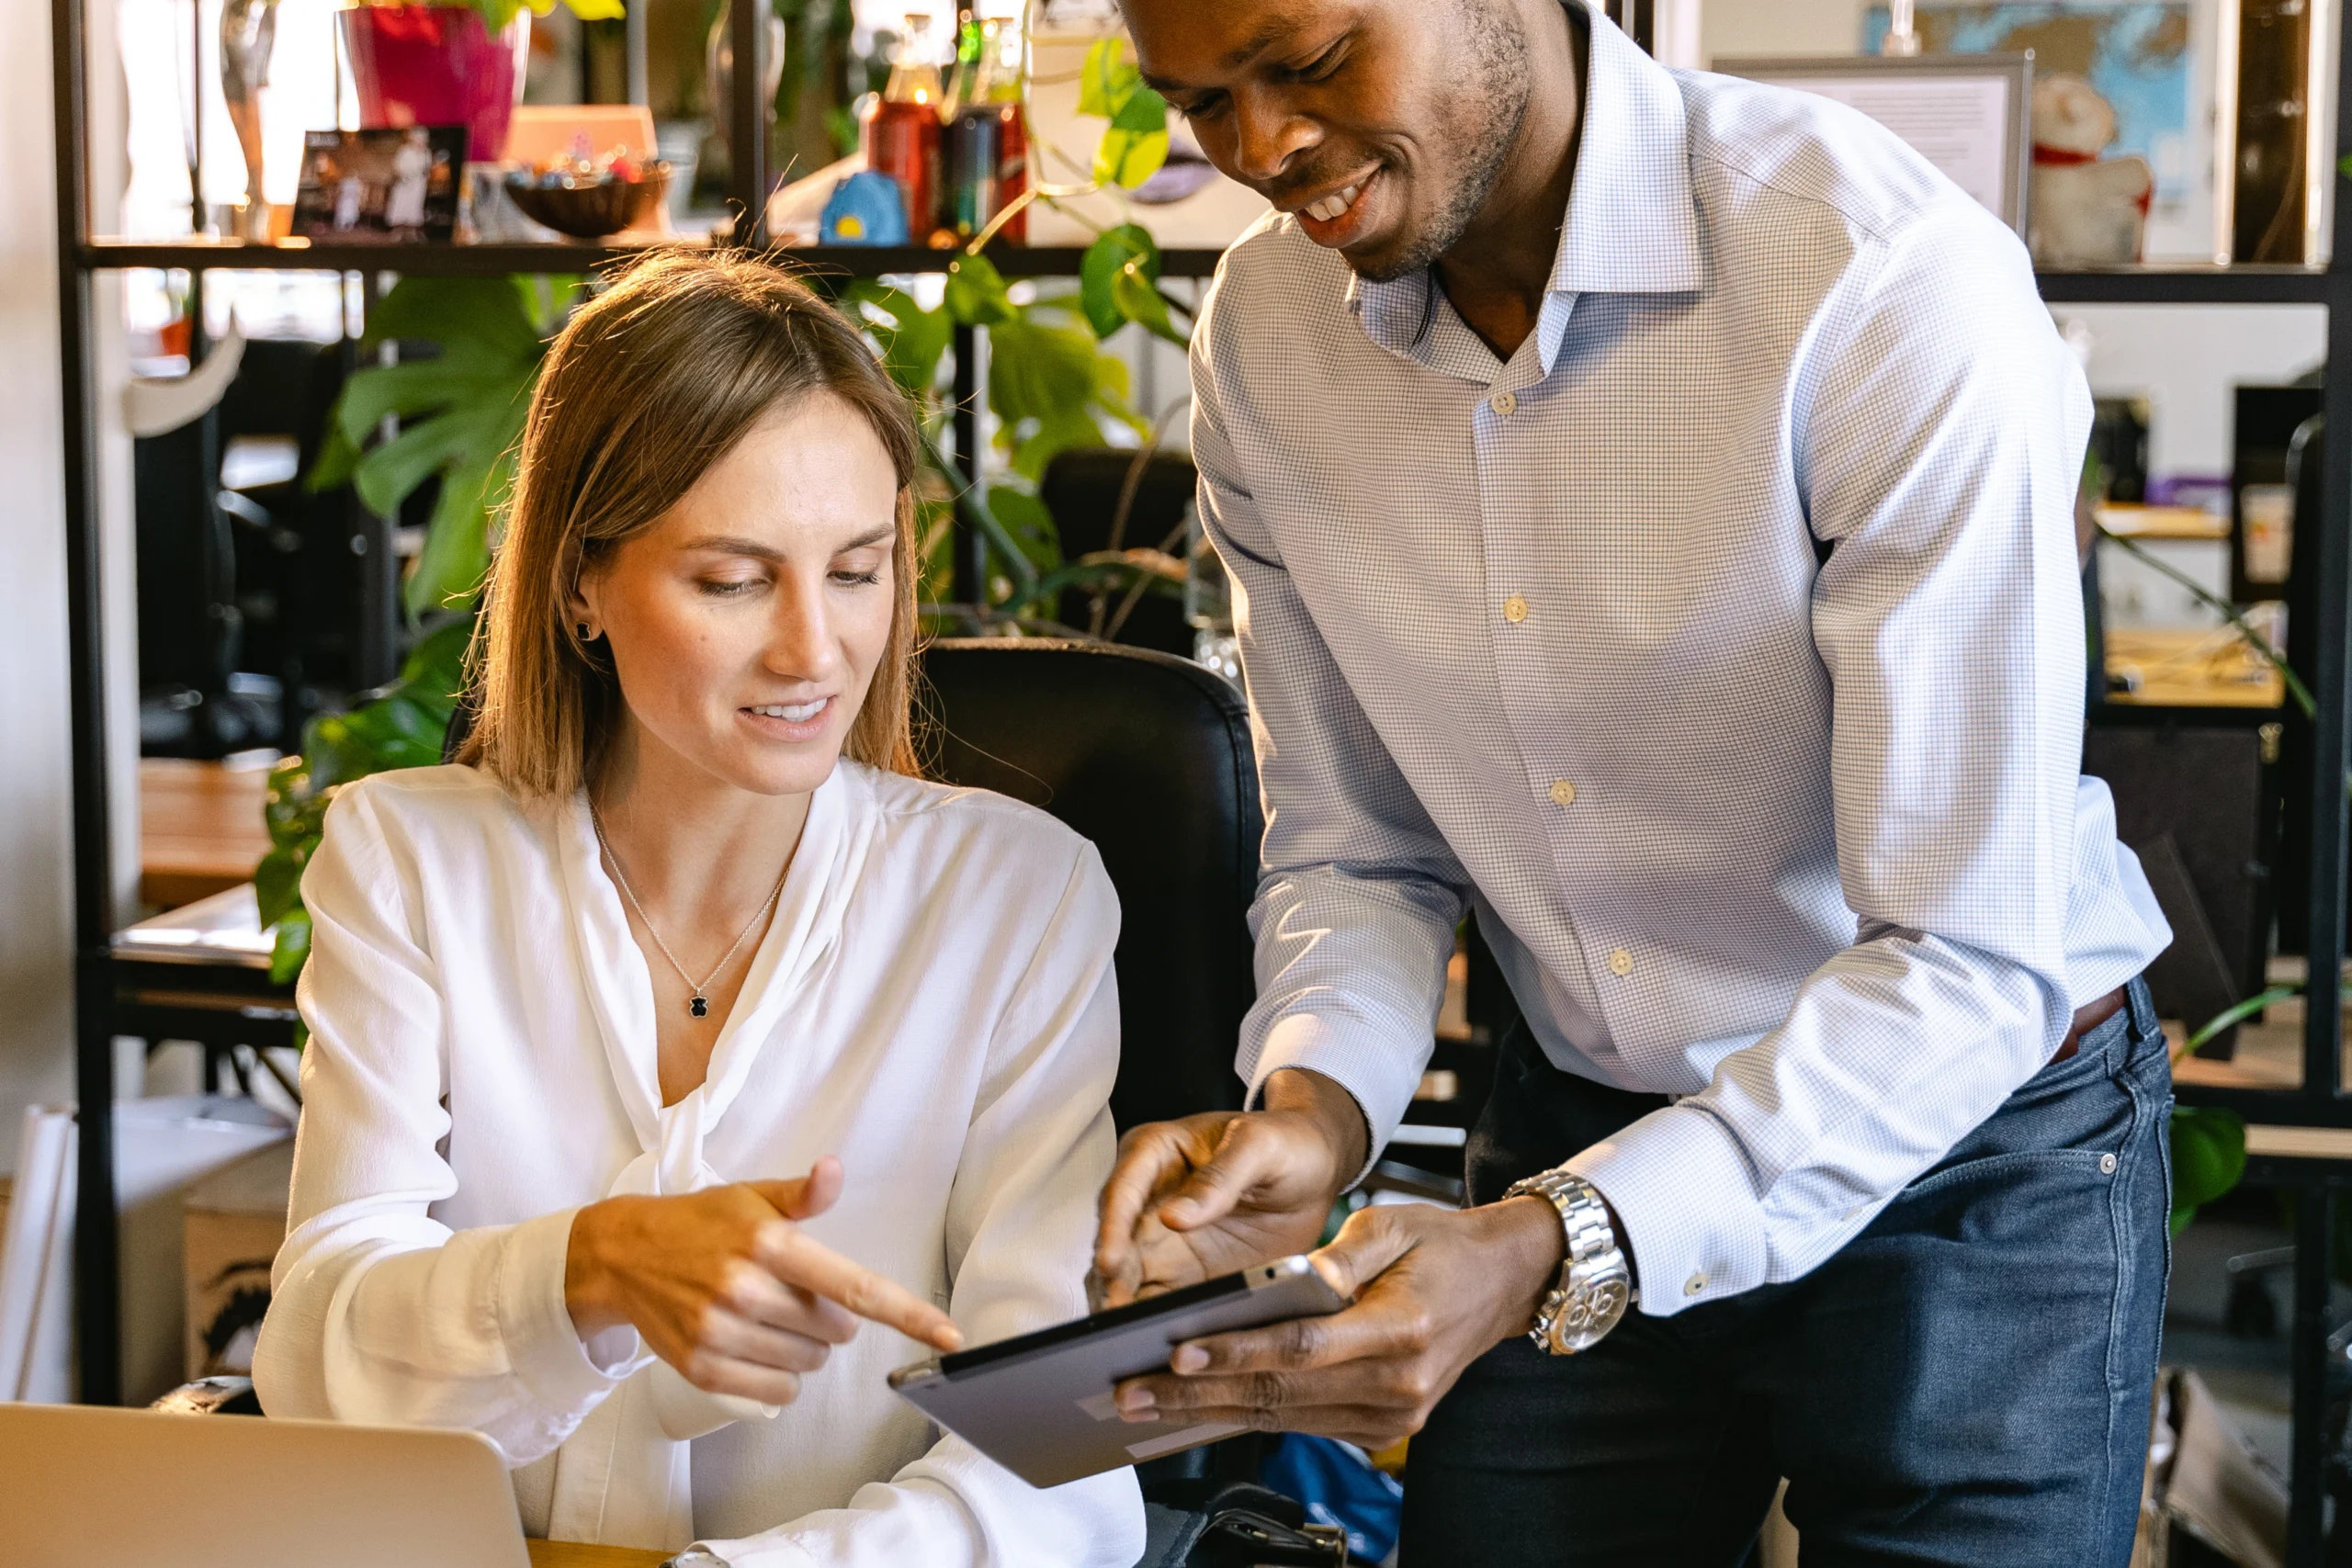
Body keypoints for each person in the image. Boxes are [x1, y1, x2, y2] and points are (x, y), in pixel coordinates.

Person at [1091, 1, 2173, 1562]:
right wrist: (1317, 1110)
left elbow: (1962, 946)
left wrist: (1548, 1245)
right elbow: (1356, 842)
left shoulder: (1875, 276)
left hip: (1974, 1151)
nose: (1259, 149)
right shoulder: (1265, 339)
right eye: (1200, 100)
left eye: (1311, 62)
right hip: (1583, 1109)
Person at [252, 251, 1145, 1568]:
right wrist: (585, 1275)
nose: (814, 648)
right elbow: (316, 1352)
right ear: (579, 585)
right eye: (732, 580)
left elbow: (1061, 1455)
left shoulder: (1019, 899)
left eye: (857, 569)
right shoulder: (408, 860)